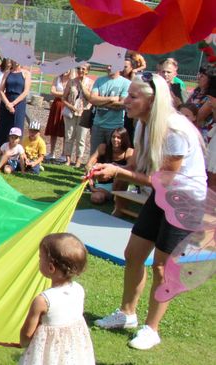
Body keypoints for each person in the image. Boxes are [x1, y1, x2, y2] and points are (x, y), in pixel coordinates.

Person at [92, 73, 207, 350]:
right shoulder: (143, 123)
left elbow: (163, 178)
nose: (125, 100)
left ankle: (151, 329)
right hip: (162, 195)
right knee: (133, 255)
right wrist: (110, 170)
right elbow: (142, 170)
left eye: (133, 96)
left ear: (151, 100)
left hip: (184, 201)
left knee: (162, 267)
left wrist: (119, 171)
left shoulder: (174, 130)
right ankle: (127, 314)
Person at [19, 233, 94, 365]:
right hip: (73, 355)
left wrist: (23, 342)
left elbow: (27, 334)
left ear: (51, 267)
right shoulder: (79, 290)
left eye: (40, 257)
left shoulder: (43, 301)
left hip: (48, 357)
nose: (39, 260)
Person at [84, 127, 134, 209]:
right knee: (96, 199)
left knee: (120, 177)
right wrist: (90, 177)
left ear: (124, 139)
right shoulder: (103, 147)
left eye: (119, 138)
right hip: (103, 185)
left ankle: (114, 196)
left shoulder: (129, 151)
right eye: (113, 137)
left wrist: (117, 168)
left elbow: (131, 168)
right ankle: (104, 194)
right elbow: (89, 164)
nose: (115, 139)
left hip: (120, 184)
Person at [88, 65, 131, 155]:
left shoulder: (125, 83)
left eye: (111, 65)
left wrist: (100, 101)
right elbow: (92, 99)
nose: (108, 68)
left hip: (115, 127)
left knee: (111, 155)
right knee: (94, 154)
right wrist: (111, 99)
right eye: (107, 65)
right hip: (97, 125)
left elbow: (122, 104)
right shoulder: (99, 80)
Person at [0, 60, 31, 156]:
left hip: (19, 103)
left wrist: (13, 103)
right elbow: (1, 90)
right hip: (6, 101)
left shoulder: (26, 73)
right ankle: (0, 153)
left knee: (16, 127)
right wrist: (7, 103)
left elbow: (25, 91)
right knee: (3, 127)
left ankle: (14, 154)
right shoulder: (7, 73)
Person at [62, 64, 94, 167]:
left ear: (87, 71)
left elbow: (91, 98)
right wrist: (71, 107)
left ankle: (78, 160)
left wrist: (82, 85)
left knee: (81, 138)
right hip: (71, 113)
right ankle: (67, 159)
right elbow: (63, 98)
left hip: (84, 113)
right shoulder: (71, 82)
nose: (80, 70)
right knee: (69, 135)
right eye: (78, 68)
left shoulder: (91, 83)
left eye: (83, 69)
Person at [45, 70, 73, 162]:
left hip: (67, 105)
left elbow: (71, 93)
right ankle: (52, 152)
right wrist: (65, 93)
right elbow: (52, 91)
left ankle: (64, 154)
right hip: (57, 105)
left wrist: (60, 94)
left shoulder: (71, 80)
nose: (65, 71)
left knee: (65, 130)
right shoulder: (57, 78)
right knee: (53, 129)